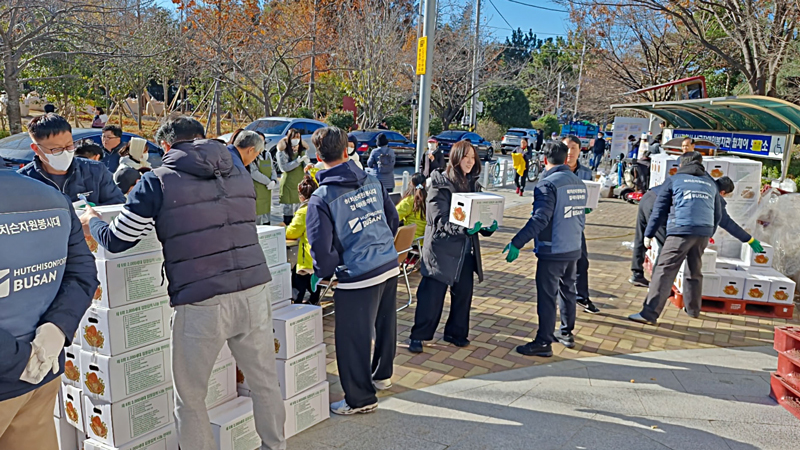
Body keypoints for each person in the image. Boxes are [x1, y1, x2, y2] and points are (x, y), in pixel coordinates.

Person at [80, 114, 286, 450]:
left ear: (165, 145)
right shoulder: (237, 170)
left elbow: (118, 240)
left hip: (201, 299)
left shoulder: (157, 182)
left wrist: (93, 220)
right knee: (264, 382)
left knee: (190, 397)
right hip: (254, 287)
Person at [0, 169, 97, 449]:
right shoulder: (52, 198)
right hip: (42, 371)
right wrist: (55, 331)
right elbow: (82, 274)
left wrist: (19, 358)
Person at [305, 126, 399, 415]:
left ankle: (360, 398)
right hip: (387, 264)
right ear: (347, 151)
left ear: (318, 156)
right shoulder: (372, 180)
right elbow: (392, 219)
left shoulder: (321, 197)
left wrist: (325, 271)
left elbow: (321, 247)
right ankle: (382, 375)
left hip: (357, 275)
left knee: (352, 339)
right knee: (385, 324)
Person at [408, 140, 497, 354]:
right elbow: (439, 220)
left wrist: (487, 226)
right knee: (431, 297)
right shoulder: (439, 184)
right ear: (455, 158)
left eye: (473, 158)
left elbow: (479, 216)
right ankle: (419, 335)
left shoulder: (473, 184)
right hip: (440, 250)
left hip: (465, 251)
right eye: (466, 157)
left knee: (463, 295)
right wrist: (465, 229)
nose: (470, 162)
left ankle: (456, 333)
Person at [504, 141, 587, 357]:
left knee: (548, 297)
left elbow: (540, 219)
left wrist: (517, 242)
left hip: (553, 250)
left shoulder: (547, 185)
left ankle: (543, 341)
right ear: (565, 158)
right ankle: (566, 333)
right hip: (573, 247)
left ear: (544, 160)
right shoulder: (578, 182)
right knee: (568, 291)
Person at [629, 152, 722, 325]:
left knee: (664, 271)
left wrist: (649, 234)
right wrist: (709, 233)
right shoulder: (710, 183)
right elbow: (718, 213)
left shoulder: (674, 180)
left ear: (681, 165)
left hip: (680, 230)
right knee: (694, 270)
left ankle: (649, 314)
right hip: (703, 232)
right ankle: (693, 309)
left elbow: (659, 210)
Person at [629, 176, 763, 288]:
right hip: (660, 204)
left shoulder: (704, 182)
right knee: (668, 248)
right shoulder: (714, 194)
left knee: (641, 237)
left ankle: (637, 274)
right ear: (722, 192)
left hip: (648, 196)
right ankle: (657, 286)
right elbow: (726, 222)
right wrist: (748, 239)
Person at [18, 114, 125, 206]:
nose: (65, 152)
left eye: (69, 146)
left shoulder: (96, 171)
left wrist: (92, 214)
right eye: (56, 149)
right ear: (36, 149)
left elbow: (118, 205)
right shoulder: (22, 181)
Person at [563, 135, 600, 314]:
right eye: (566, 148)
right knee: (557, 265)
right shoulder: (554, 170)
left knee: (582, 262)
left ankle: (581, 297)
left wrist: (589, 206)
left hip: (576, 225)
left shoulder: (586, 173)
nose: (570, 152)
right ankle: (558, 298)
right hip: (558, 225)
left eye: (573, 148)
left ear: (579, 151)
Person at [286, 174, 320, 305]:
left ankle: (298, 304)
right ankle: (314, 300)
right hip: (325, 257)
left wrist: (282, 228)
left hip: (309, 257)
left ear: (301, 196)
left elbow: (292, 232)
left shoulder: (304, 210)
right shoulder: (322, 205)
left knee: (298, 277)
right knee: (314, 280)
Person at [276, 128, 310, 225]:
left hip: (300, 181)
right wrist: (297, 161)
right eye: (294, 137)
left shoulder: (302, 150)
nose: (296, 140)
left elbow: (306, 167)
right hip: (288, 183)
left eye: (298, 137)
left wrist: (307, 163)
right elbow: (284, 167)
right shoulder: (283, 151)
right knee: (288, 210)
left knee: (299, 209)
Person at [396, 172, 427, 242]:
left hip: (410, 241)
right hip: (424, 241)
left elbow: (394, 217)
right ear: (425, 184)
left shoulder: (409, 201)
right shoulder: (429, 199)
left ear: (411, 184)